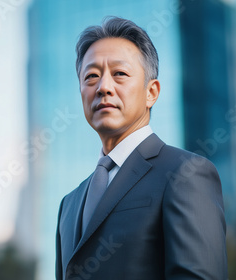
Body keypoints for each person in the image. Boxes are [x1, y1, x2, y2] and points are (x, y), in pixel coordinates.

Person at [55, 16, 227, 280]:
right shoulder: (68, 205)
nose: (103, 87)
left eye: (120, 74)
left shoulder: (186, 173)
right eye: (91, 76)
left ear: (151, 92)